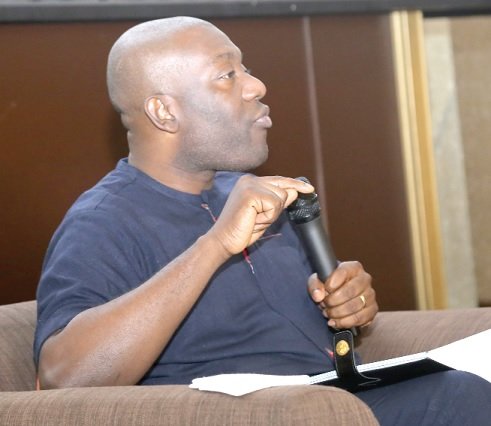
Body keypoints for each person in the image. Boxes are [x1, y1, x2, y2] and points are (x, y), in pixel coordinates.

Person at [34, 16, 491, 424]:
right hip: (238, 414)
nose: (256, 87)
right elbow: (63, 378)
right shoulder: (101, 221)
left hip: (332, 403)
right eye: (227, 75)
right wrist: (215, 245)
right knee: (459, 397)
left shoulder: (253, 194)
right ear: (164, 111)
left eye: (246, 69)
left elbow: (323, 330)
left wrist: (348, 309)